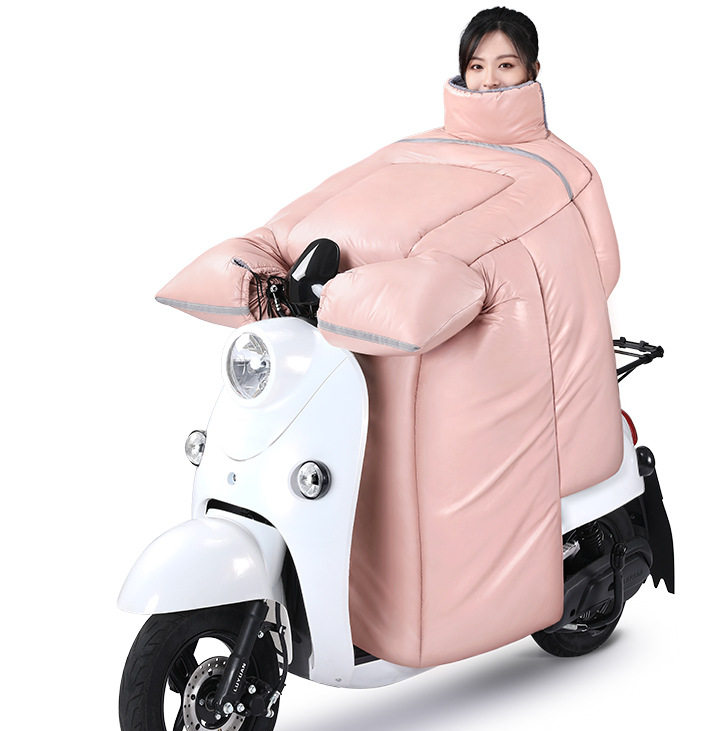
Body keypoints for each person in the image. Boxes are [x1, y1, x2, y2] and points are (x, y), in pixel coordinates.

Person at [156, 7, 623, 670]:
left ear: (533, 71)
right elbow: (308, 219)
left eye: (505, 66)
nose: (489, 81)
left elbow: (599, 270)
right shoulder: (411, 150)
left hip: (496, 365)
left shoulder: (565, 172)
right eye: (477, 66)